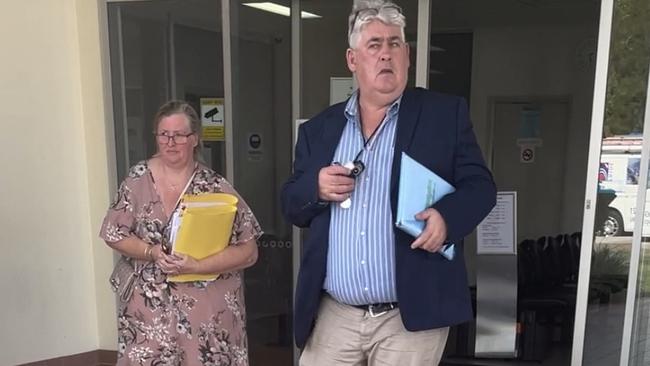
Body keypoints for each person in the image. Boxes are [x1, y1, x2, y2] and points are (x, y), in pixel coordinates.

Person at [281, 0, 496, 365]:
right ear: (353, 60)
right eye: (374, 45)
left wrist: (447, 218)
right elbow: (291, 203)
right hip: (336, 314)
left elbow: (481, 186)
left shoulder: (443, 116)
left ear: (407, 55)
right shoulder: (319, 131)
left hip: (409, 316)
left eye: (394, 44)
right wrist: (315, 188)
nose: (385, 55)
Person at [100, 100, 262, 366]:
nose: (170, 142)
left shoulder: (214, 186)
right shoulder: (137, 179)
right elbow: (112, 232)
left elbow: (248, 250)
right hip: (149, 314)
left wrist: (199, 265)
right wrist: (150, 252)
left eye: (179, 135)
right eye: (164, 134)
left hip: (206, 314)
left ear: (195, 139)